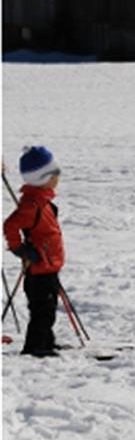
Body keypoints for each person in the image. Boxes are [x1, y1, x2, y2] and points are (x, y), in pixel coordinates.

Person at [4, 146, 66, 357]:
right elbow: (10, 225)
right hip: (39, 267)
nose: (58, 178)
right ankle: (35, 347)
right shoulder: (32, 205)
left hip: (48, 265)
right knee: (43, 310)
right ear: (43, 178)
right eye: (55, 175)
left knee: (48, 309)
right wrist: (20, 249)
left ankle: (46, 341)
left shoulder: (43, 202)